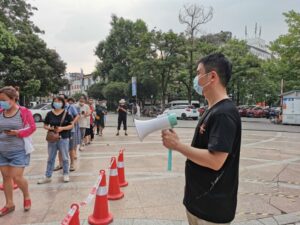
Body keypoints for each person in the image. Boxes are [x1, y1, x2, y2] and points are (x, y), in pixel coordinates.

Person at [161, 53, 241, 225]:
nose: (196, 78)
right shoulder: (213, 110)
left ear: (212, 77)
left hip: (211, 209)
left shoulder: (224, 113)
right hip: (201, 203)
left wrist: (177, 145)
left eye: (198, 73)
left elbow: (215, 161)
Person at [0, 86, 36, 216]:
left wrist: (17, 133)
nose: (1, 102)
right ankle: (9, 204)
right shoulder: (0, 111)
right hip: (2, 151)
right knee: (6, 177)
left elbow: (32, 128)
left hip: (19, 150)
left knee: (17, 177)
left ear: (13, 99)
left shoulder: (24, 111)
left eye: (3, 100)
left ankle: (26, 196)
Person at [38, 96, 73, 184]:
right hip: (52, 138)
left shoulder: (67, 113)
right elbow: (45, 125)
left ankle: (65, 174)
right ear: (53, 103)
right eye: (55, 101)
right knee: (51, 158)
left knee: (65, 157)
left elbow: (71, 125)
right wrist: (50, 128)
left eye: (59, 101)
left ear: (62, 103)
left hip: (64, 138)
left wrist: (62, 128)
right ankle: (48, 176)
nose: (57, 103)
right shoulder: (49, 113)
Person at [53, 94, 80, 172]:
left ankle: (72, 164)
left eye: (60, 99)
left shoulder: (70, 107)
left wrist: (72, 123)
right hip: (59, 131)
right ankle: (60, 164)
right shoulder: (58, 107)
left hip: (70, 131)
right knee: (60, 149)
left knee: (71, 149)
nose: (58, 101)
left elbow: (77, 116)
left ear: (65, 100)